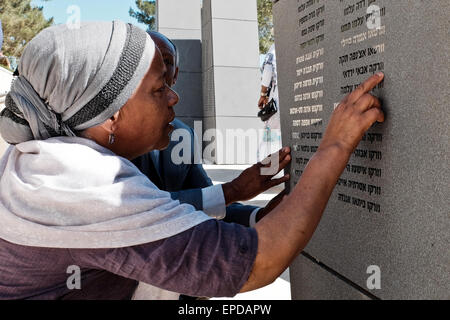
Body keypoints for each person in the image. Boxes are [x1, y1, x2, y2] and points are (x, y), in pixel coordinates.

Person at [0, 21, 385, 299]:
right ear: (112, 113)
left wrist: (266, 212)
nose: (174, 98)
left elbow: (178, 220)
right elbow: (257, 264)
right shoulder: (78, 182)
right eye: (158, 88)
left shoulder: (47, 163)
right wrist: (333, 147)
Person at [132, 32, 289, 300]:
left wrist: (258, 217)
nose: (156, 65)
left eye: (165, 61)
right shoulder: (102, 138)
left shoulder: (182, 134)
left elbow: (210, 203)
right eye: (146, 58)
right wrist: (233, 189)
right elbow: (136, 211)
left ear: (176, 74)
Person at [258, 43, 281, 161]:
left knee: (270, 136)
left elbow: (268, 70)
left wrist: (263, 94)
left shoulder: (275, 47)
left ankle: (268, 168)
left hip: (277, 98)